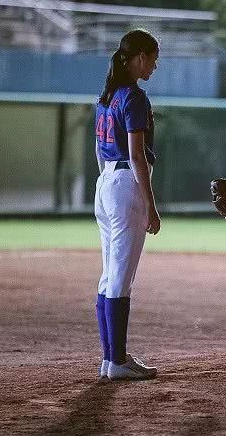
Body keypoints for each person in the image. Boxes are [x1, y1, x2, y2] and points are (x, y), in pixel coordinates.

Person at [93, 29, 161, 380]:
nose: (154, 66)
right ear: (139, 57)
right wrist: (151, 205)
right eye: (152, 59)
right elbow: (137, 155)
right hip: (125, 183)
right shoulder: (134, 97)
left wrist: (107, 183)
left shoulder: (107, 95)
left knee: (109, 274)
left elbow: (98, 149)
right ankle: (117, 361)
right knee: (121, 277)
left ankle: (111, 359)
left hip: (106, 180)